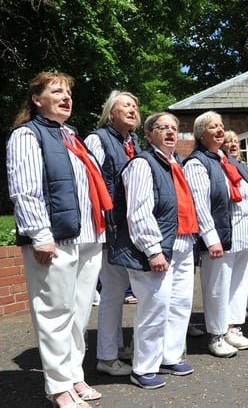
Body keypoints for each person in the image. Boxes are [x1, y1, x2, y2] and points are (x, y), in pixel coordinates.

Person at [7, 71, 110, 407]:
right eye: (57, 91)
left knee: (79, 313)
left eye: (68, 92)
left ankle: (73, 375)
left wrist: (100, 230)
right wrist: (40, 236)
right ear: (37, 100)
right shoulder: (26, 135)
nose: (66, 98)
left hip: (87, 237)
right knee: (54, 312)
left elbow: (85, 188)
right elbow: (26, 190)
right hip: (56, 239)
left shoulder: (70, 136)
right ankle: (58, 386)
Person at [108, 112, 198, 389]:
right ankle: (144, 367)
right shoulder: (142, 164)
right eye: (162, 128)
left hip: (183, 242)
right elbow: (138, 212)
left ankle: (169, 356)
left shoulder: (176, 163)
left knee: (180, 304)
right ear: (148, 135)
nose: (171, 132)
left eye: (174, 128)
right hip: (157, 247)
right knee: (154, 306)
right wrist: (152, 250)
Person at [184, 111, 248, 356]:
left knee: (238, 284)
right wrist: (211, 238)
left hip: (242, 233)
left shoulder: (228, 161)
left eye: (221, 125)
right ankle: (216, 334)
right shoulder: (198, 163)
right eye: (212, 127)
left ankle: (232, 327)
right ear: (200, 134)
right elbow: (201, 205)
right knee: (217, 286)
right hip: (219, 235)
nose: (220, 130)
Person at [84, 90, 141, 377]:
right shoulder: (98, 139)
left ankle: (115, 347)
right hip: (109, 226)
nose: (132, 109)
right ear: (110, 111)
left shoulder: (133, 142)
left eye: (134, 106)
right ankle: (106, 357)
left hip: (128, 227)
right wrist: (102, 227)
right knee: (112, 292)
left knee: (118, 291)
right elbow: (90, 184)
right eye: (125, 105)